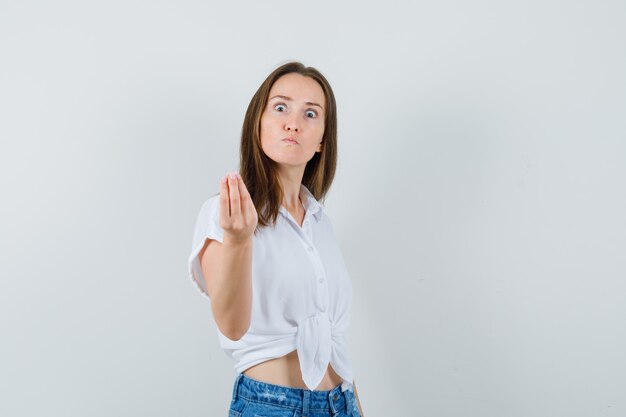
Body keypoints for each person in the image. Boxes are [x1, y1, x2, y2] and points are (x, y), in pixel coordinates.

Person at [188, 61, 364, 416]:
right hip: (272, 406)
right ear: (258, 123)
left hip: (340, 403)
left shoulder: (320, 223)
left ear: (321, 142)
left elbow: (335, 345)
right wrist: (239, 240)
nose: (293, 123)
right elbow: (232, 326)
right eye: (280, 107)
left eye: (310, 114)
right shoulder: (223, 214)